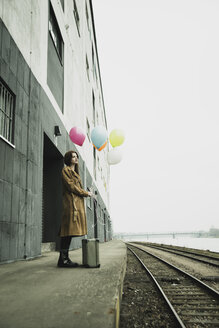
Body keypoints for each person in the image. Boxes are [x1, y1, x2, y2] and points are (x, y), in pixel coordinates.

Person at [57, 150, 94, 268]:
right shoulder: (66, 170)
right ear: (69, 159)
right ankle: (63, 259)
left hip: (76, 205)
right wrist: (85, 193)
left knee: (69, 232)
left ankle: (64, 259)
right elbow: (71, 186)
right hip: (70, 204)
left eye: (76, 156)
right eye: (73, 157)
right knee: (67, 232)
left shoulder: (76, 173)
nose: (76, 158)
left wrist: (86, 193)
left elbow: (76, 187)